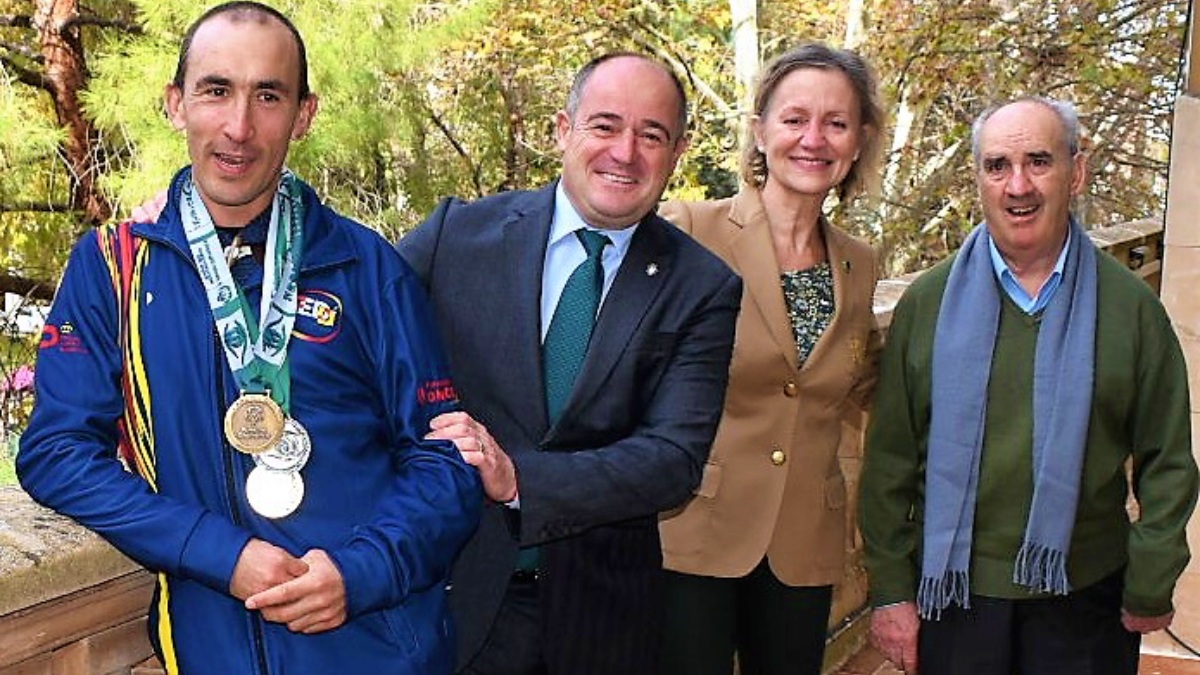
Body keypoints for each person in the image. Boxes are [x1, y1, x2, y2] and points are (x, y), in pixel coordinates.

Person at [17, 3, 481, 674]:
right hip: (212, 650)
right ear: (176, 103)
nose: (239, 127)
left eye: (268, 95)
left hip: (379, 646)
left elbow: (446, 458)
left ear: (304, 114)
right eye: (216, 90)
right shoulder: (112, 270)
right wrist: (215, 551)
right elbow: (57, 451)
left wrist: (361, 572)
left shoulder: (367, 266)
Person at [397, 53, 742, 675]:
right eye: (605, 126)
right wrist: (198, 219)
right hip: (448, 594)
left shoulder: (702, 286)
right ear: (563, 130)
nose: (626, 152)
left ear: (678, 151)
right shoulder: (457, 235)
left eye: (652, 134)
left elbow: (673, 460)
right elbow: (349, 311)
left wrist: (518, 479)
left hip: (598, 619)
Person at [859, 96, 1198, 675]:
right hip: (954, 595)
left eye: (1039, 161)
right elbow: (889, 461)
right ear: (979, 180)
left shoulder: (1130, 308)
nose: (1018, 185)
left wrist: (1151, 576)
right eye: (997, 166)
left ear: (1077, 171)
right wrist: (892, 590)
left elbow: (1168, 457)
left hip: (1087, 600)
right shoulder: (928, 304)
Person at [655, 42, 884, 675]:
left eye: (836, 123)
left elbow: (864, 380)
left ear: (859, 140)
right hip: (693, 533)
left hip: (804, 542)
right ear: (759, 132)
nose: (814, 139)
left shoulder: (859, 264)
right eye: (794, 119)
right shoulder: (687, 232)